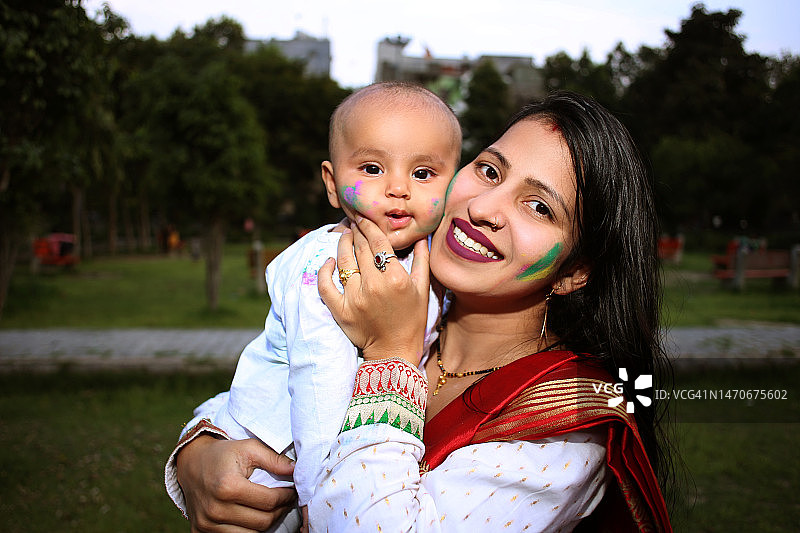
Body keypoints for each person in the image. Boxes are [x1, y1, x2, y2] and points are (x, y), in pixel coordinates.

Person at [170, 91, 674, 532]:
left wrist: (390, 355)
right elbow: (275, 372)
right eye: (490, 170)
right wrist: (197, 453)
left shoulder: (564, 428)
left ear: (574, 271)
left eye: (539, 207)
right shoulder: (397, 291)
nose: (484, 208)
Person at [164, 81, 461, 530]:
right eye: (373, 168)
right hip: (276, 454)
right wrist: (315, 495)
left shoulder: (429, 260)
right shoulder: (327, 267)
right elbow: (319, 381)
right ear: (331, 183)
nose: (399, 188)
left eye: (423, 174)